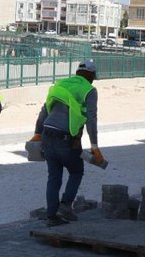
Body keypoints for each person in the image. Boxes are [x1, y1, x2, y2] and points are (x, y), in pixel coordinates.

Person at [30, 60, 105, 225]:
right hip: (65, 137)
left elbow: (45, 109)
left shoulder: (61, 84)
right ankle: (65, 206)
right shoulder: (89, 90)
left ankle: (52, 216)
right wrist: (94, 146)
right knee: (76, 171)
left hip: (47, 133)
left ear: (77, 73)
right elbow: (91, 118)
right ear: (91, 76)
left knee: (54, 176)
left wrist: (37, 133)